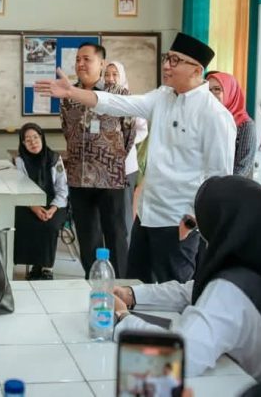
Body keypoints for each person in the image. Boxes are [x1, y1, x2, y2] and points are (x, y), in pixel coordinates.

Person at [113, 176, 261, 396]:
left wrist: (123, 319)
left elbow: (180, 359)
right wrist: (132, 294)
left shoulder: (232, 290)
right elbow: (192, 291)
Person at [36, 32, 235, 284]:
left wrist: (192, 221)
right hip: (148, 216)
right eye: (167, 58)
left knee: (171, 292)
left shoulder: (215, 115)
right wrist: (72, 93)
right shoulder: (163, 97)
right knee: (135, 288)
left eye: (175, 61)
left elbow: (220, 180)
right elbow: (117, 103)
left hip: (179, 222)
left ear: (196, 70)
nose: (166, 65)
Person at [58, 43, 135, 278]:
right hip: (78, 177)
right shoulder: (69, 96)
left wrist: (111, 158)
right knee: (87, 236)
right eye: (77, 59)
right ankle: (93, 282)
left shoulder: (117, 93)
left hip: (109, 177)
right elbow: (67, 130)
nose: (80, 64)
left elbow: (129, 132)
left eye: (87, 59)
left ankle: (120, 284)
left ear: (101, 63)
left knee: (116, 234)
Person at [13, 123, 68, 280]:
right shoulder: (20, 161)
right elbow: (20, 189)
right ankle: (35, 265)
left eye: (36, 137)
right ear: (23, 143)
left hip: (55, 203)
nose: (33, 142)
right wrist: (34, 207)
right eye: (28, 140)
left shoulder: (55, 159)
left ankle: (46, 268)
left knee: (50, 225)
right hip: (30, 203)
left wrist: (53, 208)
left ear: (42, 138)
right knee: (26, 222)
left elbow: (63, 189)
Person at [105, 61, 148, 244]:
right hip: (103, 167)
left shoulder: (131, 101)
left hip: (125, 166)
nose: (110, 78)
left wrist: (125, 142)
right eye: (107, 74)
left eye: (115, 74)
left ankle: (127, 248)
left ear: (121, 76)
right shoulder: (99, 98)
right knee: (107, 213)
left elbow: (143, 129)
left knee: (124, 212)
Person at [206, 71, 256, 178]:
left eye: (217, 89)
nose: (211, 94)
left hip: (235, 185)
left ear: (230, 92)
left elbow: (243, 167)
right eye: (209, 90)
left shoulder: (246, 126)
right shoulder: (207, 119)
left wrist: (223, 185)